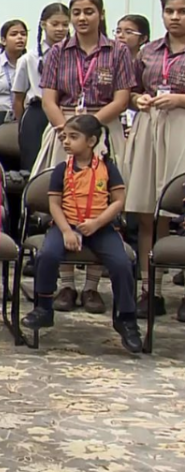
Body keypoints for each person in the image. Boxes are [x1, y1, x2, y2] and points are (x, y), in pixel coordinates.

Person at [32, 0, 134, 314]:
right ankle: (66, 284)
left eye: (89, 11)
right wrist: (67, 130)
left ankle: (91, 287)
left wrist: (88, 128)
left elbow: (121, 99)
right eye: (76, 12)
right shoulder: (58, 52)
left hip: (103, 129)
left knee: (99, 199)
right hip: (64, 130)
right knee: (62, 200)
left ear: (101, 14)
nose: (81, 18)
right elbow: (49, 98)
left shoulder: (118, 51)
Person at [20, 114, 142, 353]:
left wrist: (97, 223)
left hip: (100, 227)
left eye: (73, 137)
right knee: (46, 255)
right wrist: (66, 230)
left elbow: (118, 201)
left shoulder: (108, 168)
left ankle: (126, 319)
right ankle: (44, 307)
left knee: (121, 263)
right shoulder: (61, 170)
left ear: (91, 141)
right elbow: (54, 204)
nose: (66, 141)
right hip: (67, 225)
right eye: (64, 136)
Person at [122, 0, 185, 320]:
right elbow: (130, 90)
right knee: (149, 212)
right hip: (149, 126)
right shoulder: (148, 51)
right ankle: (151, 289)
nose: (175, 17)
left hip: (182, 125)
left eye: (182, 11)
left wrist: (180, 99)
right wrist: (138, 100)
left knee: (179, 209)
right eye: (170, 11)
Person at [13, 3, 71, 170]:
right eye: (55, 24)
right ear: (43, 24)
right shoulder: (29, 58)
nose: (60, 29)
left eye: (65, 24)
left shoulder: (74, 56)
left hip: (66, 112)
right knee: (34, 166)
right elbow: (18, 97)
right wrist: (21, 124)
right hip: (37, 114)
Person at [0, 20, 28, 128]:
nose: (20, 37)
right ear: (3, 40)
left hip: (25, 115)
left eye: (23, 34)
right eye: (14, 34)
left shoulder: (31, 63)